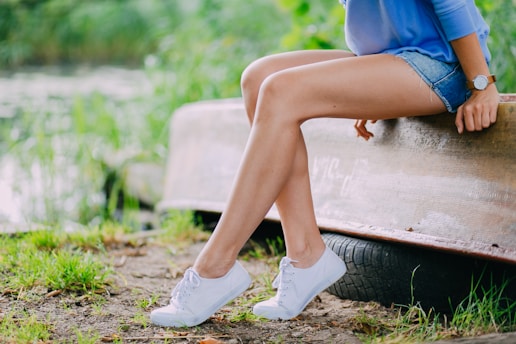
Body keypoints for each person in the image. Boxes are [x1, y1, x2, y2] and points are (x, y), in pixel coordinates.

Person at [150, 0, 499, 327]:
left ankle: (215, 267)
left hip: (442, 62)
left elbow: (451, 4)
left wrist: (481, 84)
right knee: (259, 78)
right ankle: (306, 255)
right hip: (392, 58)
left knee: (281, 90)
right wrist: (373, 94)